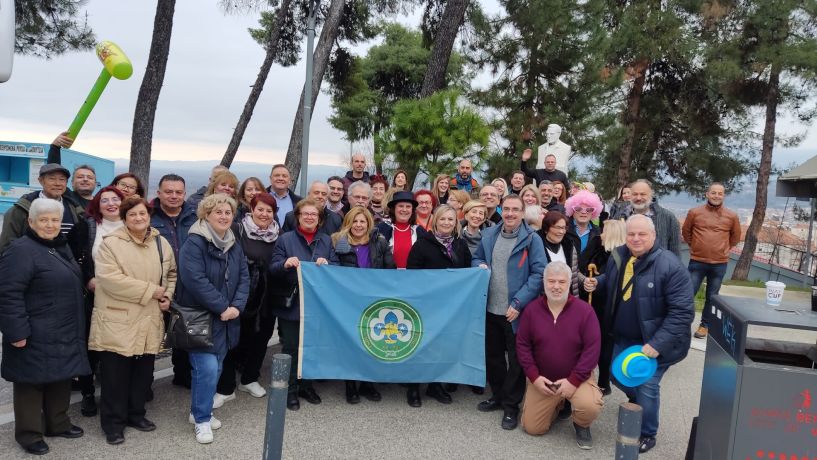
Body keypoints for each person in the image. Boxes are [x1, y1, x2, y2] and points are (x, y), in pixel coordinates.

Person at [583, 215, 694, 453]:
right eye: (631, 234)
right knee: (615, 374)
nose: (636, 238)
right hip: (622, 337)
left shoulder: (670, 266)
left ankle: (647, 432)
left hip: (653, 342)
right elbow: (613, 281)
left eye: (642, 234)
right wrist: (599, 283)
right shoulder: (620, 255)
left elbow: (682, 313)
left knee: (647, 385)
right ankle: (639, 402)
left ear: (653, 236)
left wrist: (657, 344)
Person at [0, 198, 89, 455]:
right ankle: (29, 434)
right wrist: (16, 332)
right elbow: (8, 294)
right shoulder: (21, 250)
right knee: (31, 383)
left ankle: (57, 423)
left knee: (60, 377)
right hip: (33, 330)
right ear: (31, 222)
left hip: (61, 328)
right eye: (44, 220)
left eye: (55, 220)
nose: (50, 225)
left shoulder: (59, 246)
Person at [89, 196, 177, 445]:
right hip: (118, 318)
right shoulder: (111, 244)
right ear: (124, 218)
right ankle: (113, 425)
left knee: (142, 372)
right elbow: (109, 279)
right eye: (133, 215)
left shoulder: (161, 242)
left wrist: (167, 294)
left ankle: (136, 414)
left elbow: (171, 273)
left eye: (142, 214)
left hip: (149, 317)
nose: (139, 218)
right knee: (115, 376)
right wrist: (153, 291)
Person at [176, 193, 249, 444]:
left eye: (228, 212)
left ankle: (198, 411)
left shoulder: (233, 243)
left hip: (227, 318)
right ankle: (202, 419)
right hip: (201, 318)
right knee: (206, 368)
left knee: (216, 366)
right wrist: (222, 307)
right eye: (218, 212)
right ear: (206, 215)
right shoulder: (194, 243)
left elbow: (243, 278)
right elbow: (194, 280)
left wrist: (237, 306)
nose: (224, 216)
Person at [472, 194, 546, 431]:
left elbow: (539, 273)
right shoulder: (488, 235)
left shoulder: (532, 240)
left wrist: (518, 302)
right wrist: (479, 266)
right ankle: (498, 396)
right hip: (490, 308)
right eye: (507, 209)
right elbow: (476, 258)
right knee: (493, 357)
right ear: (501, 211)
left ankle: (511, 407)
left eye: (516, 209)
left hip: (516, 311)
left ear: (523, 213)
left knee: (516, 361)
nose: (511, 213)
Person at [517, 262, 603, 450]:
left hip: (577, 379)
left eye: (561, 282)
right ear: (544, 283)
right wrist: (534, 377)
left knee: (589, 406)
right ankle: (558, 403)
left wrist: (573, 381)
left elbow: (592, 350)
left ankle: (581, 424)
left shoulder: (585, 311)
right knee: (533, 428)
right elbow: (523, 346)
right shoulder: (531, 311)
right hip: (543, 380)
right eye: (551, 281)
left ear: (569, 283)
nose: (556, 286)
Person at [269, 199, 338, 411]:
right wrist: (285, 264)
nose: (309, 217)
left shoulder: (326, 241)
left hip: (316, 305)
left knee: (311, 347)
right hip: (292, 305)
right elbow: (272, 268)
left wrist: (328, 265)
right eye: (305, 214)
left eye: (314, 215)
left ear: (319, 219)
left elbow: (336, 267)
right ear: (298, 216)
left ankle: (306, 385)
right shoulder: (285, 239)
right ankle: (290, 390)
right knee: (291, 347)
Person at [215, 193, 280, 406]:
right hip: (239, 295)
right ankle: (225, 387)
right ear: (251, 209)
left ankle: (250, 378)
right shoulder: (236, 230)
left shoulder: (279, 234)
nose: (264, 214)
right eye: (260, 209)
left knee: (261, 339)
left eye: (269, 211)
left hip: (267, 297)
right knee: (233, 339)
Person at [406, 205, 472, 407]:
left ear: (456, 223)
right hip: (426, 306)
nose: (446, 223)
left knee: (442, 347)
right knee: (421, 346)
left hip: (452, 307)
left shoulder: (461, 246)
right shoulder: (422, 245)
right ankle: (413, 387)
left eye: (451, 220)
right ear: (435, 220)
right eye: (442, 219)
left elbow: (468, 274)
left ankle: (435, 385)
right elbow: (412, 274)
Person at [332, 207, 394, 403]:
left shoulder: (380, 242)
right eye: (355, 221)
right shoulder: (336, 242)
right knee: (351, 343)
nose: (359, 225)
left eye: (362, 222)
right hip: (348, 301)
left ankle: (368, 383)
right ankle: (351, 384)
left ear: (369, 223)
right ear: (348, 223)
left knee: (371, 341)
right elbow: (332, 271)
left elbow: (389, 268)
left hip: (373, 300)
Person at [77, 186, 126, 417]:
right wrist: (87, 279)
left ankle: (118, 392)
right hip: (95, 297)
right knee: (92, 345)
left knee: (118, 346)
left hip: (127, 297)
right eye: (104, 200)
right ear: (97, 205)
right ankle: (88, 393)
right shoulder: (87, 227)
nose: (110, 203)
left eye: (115, 199)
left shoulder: (134, 224)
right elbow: (73, 260)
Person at [150, 174, 198, 388]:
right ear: (158, 193)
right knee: (152, 335)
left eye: (178, 192)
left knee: (184, 334)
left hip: (188, 287)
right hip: (157, 287)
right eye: (168, 191)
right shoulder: (148, 217)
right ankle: (144, 383)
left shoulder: (195, 217)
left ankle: (183, 376)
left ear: (184, 194)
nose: (173, 196)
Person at [682, 182, 741, 339]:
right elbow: (686, 232)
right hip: (697, 261)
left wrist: (722, 249)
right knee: (688, 293)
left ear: (724, 196)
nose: (716, 196)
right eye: (713, 193)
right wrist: (695, 246)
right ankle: (681, 324)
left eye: (719, 193)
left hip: (719, 263)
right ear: (707, 194)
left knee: (712, 296)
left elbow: (735, 238)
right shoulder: (694, 212)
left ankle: (704, 326)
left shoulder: (732, 216)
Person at [578, 219, 626, 394]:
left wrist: (596, 282)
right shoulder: (596, 245)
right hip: (590, 301)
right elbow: (581, 266)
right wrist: (586, 280)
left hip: (606, 307)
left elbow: (613, 281)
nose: (601, 234)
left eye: (605, 231)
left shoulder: (620, 257)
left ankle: (603, 381)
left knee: (605, 344)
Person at [0, 163, 87, 255]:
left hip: (67, 265)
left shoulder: (75, 209)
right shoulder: (21, 209)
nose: (57, 183)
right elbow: (7, 245)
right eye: (52, 179)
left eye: (62, 179)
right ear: (41, 181)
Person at [611, 179, 681, 258]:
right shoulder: (620, 216)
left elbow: (675, 251)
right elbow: (613, 246)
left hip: (658, 267)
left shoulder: (667, 218)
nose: (638, 198)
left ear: (651, 195)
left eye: (643, 194)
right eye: (635, 194)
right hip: (626, 267)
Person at [376, 191, 427, 269]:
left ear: (412, 210)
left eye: (408, 206)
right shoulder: (382, 229)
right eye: (401, 206)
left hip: (413, 278)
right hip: (388, 277)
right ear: (394, 209)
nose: (404, 209)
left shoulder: (420, 231)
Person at [47, 132, 97, 208]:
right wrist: (55, 146)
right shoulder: (66, 197)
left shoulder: (102, 202)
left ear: (95, 183)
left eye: (90, 177)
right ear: (72, 183)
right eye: (80, 177)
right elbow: (54, 170)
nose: (85, 179)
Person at [539, 212, 581, 296]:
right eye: (558, 227)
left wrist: (585, 280)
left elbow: (575, 271)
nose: (561, 231)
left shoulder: (569, 245)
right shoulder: (536, 246)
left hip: (566, 298)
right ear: (546, 229)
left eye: (564, 228)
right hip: (544, 298)